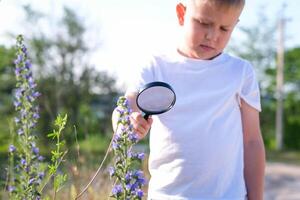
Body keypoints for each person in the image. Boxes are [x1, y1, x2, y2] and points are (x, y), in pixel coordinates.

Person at [112, 0, 265, 199]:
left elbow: (252, 142)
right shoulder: (156, 66)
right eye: (204, 23)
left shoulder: (240, 72)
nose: (213, 36)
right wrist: (127, 123)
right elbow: (125, 108)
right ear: (181, 14)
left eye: (224, 28)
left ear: (235, 24)